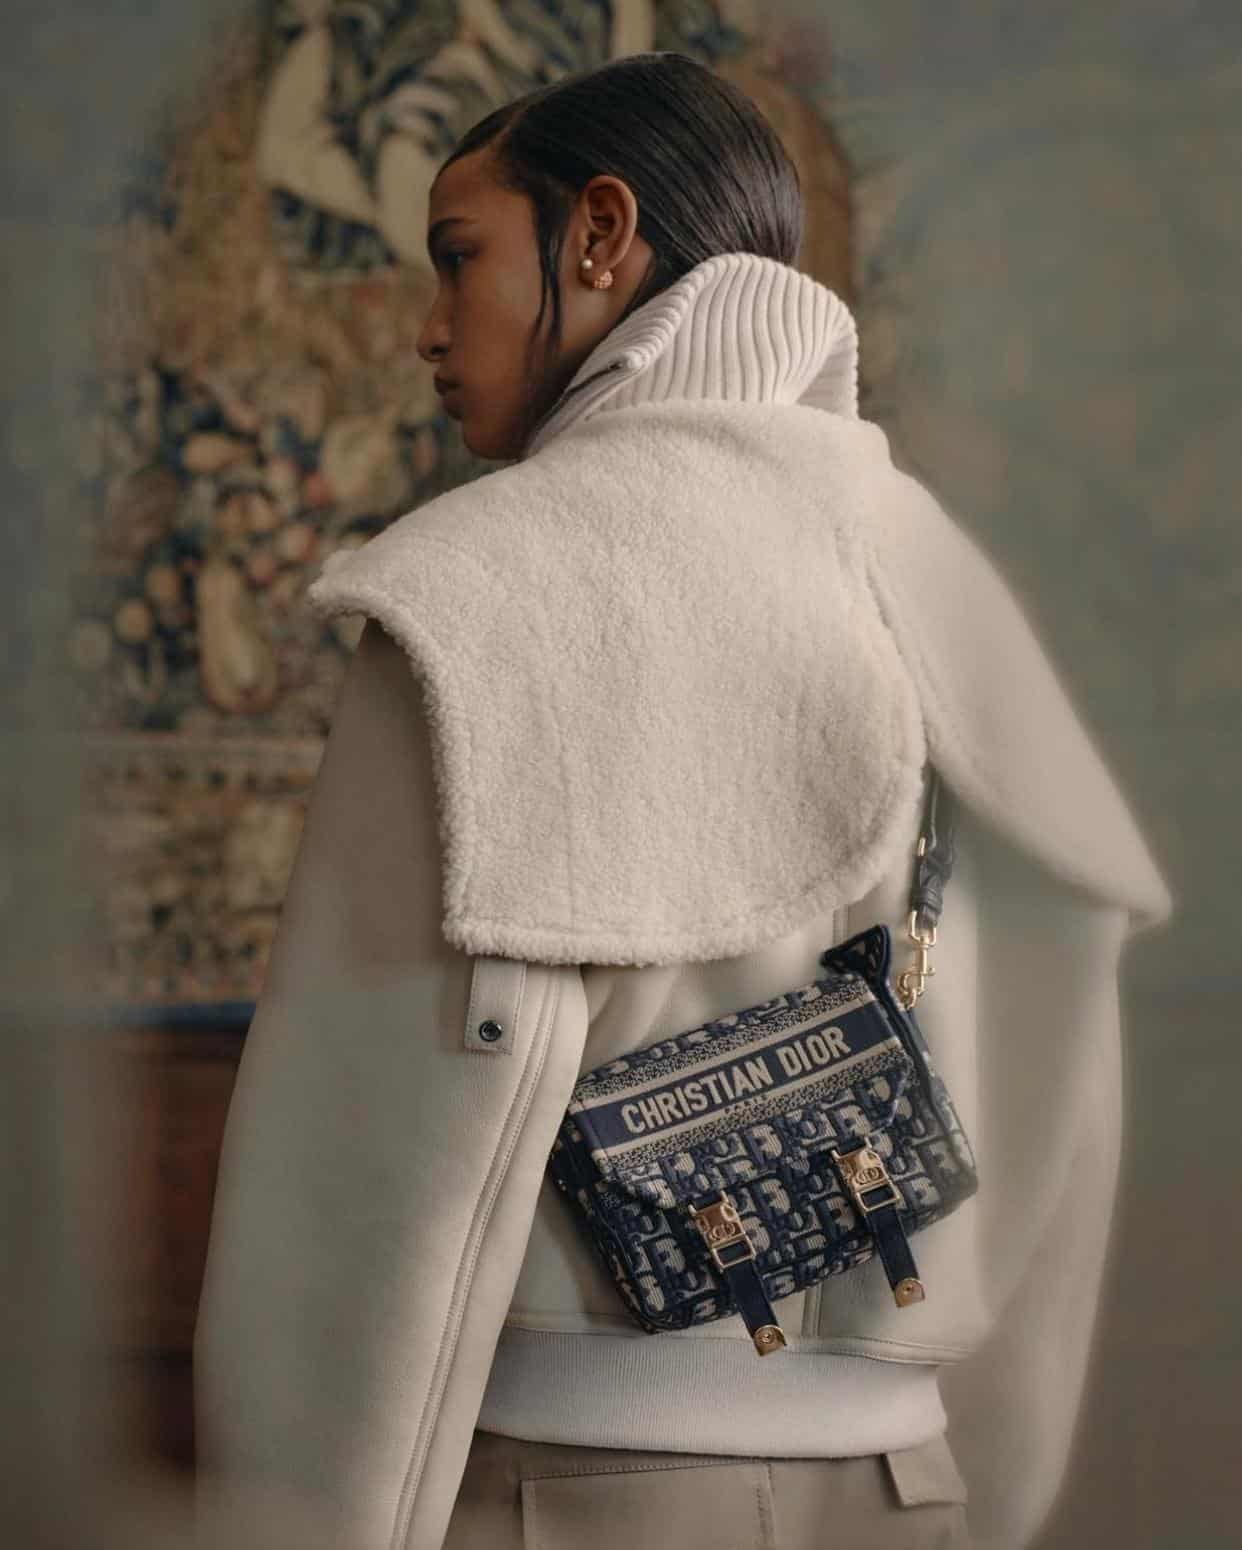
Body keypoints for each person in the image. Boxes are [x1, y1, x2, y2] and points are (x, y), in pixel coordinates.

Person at [192, 52, 1173, 1550]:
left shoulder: (468, 596)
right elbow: (1067, 1102)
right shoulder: (948, 582)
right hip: (914, 1495)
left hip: (573, 1493)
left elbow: (359, 1173)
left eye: (459, 258)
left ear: (599, 235)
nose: (428, 328)